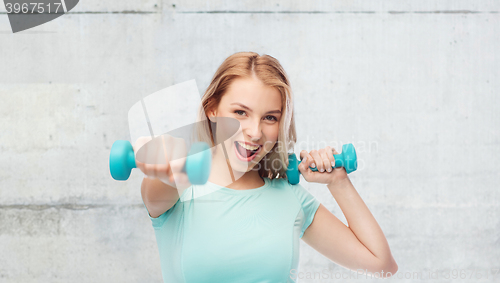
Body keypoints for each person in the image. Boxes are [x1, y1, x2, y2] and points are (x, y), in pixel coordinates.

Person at [135, 52, 398, 282]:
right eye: (240, 112)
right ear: (211, 110)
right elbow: (159, 186)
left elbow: (382, 265)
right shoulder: (179, 186)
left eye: (270, 117)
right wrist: (167, 163)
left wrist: (338, 183)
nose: (254, 132)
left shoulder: (290, 198)